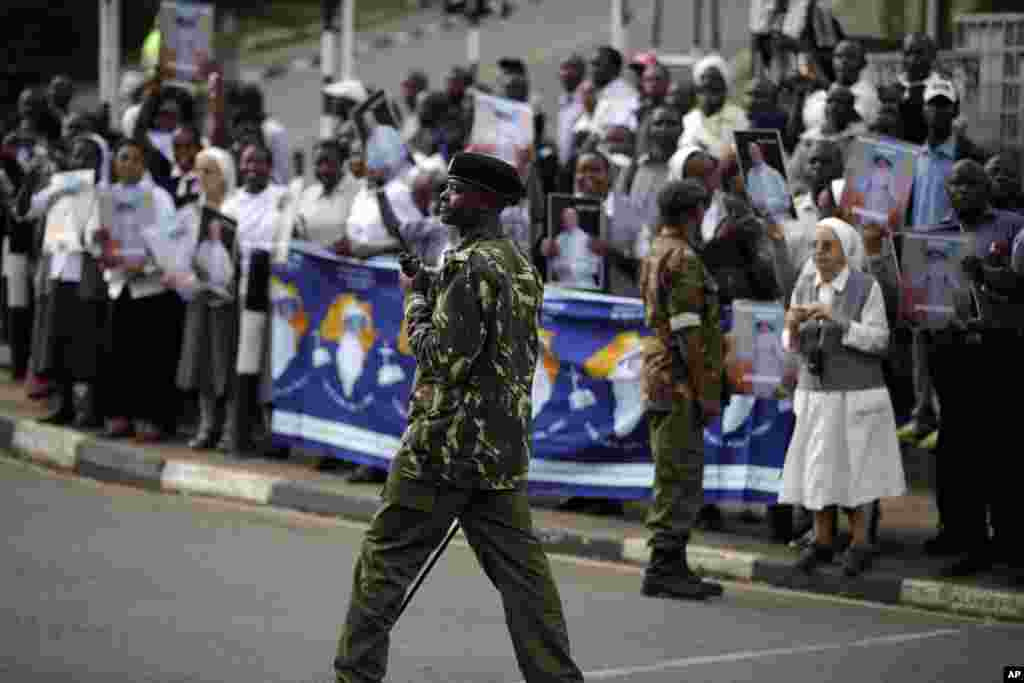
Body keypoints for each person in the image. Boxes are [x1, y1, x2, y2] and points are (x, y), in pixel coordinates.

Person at [332, 152, 584, 683]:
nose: (444, 197)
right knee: (525, 581)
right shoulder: (516, 263)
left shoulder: (468, 267)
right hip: (500, 450)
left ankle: (355, 676)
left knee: (384, 562)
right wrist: (432, 281)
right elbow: (485, 331)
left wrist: (415, 302)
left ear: (486, 202)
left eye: (456, 189)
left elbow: (442, 356)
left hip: (444, 449)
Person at [780, 217, 906, 577]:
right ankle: (821, 540)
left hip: (856, 395)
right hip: (816, 395)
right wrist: (790, 326)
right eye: (816, 246)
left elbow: (879, 340)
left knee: (856, 471)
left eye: (827, 246)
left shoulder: (867, 287)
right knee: (818, 470)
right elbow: (789, 346)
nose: (818, 254)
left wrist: (838, 321)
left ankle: (860, 542)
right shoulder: (805, 284)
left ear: (846, 251)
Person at [916, 160, 1024, 575]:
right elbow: (920, 296)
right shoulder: (931, 236)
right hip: (952, 352)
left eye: (972, 183)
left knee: (1003, 449)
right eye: (955, 184)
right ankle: (964, 536)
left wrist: (988, 274)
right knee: (958, 448)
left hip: (1001, 350)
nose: (963, 190)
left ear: (987, 188)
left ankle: (1010, 540)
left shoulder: (1013, 227)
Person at [638, 179, 725, 600]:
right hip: (678, 381)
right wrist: (707, 391)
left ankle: (671, 563)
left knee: (671, 470)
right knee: (680, 473)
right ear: (694, 213)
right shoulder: (684, 258)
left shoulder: (657, 249)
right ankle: (664, 567)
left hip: (659, 375)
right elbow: (688, 333)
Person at [898, 78, 987, 452]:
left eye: (944, 104)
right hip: (919, 252)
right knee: (921, 336)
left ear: (955, 110)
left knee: (950, 336)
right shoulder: (913, 156)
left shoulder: (969, 154)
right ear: (923, 110)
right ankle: (921, 414)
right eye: (931, 104)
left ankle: (946, 418)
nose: (937, 110)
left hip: (954, 252)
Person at [15, 134, 110, 426]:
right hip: (56, 273)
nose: (80, 161)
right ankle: (64, 405)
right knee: (58, 342)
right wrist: (31, 180)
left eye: (88, 157)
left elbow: (97, 242)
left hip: (84, 276)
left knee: (84, 343)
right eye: (77, 155)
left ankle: (87, 409)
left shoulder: (101, 193)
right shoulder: (59, 188)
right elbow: (25, 211)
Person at [95, 139, 184, 441]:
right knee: (117, 354)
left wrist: (145, 264)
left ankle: (150, 418)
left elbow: (170, 241)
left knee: (149, 358)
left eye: (134, 159)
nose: (127, 164)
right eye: (122, 158)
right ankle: (119, 416)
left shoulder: (157, 197)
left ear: (143, 163)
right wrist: (103, 251)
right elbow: (100, 239)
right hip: (119, 285)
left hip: (150, 287)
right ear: (115, 163)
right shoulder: (108, 197)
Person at [172, 146, 239, 451]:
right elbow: (175, 253)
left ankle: (228, 426)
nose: (201, 177)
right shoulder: (190, 213)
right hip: (199, 294)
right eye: (198, 170)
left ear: (225, 175)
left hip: (230, 299)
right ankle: (206, 423)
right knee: (201, 360)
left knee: (226, 362)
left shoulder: (237, 208)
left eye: (209, 171)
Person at [789, 85, 868, 196]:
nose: (833, 107)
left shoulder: (860, 141)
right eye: (830, 101)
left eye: (840, 102)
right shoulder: (808, 140)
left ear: (851, 109)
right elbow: (794, 176)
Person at [679, 56, 750, 162]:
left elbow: (739, 153)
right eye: (703, 89)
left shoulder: (739, 117)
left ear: (725, 88)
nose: (707, 95)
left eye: (714, 88)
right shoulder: (690, 119)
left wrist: (709, 150)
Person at [801, 40, 880, 135]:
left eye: (850, 57)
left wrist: (821, 80)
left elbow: (845, 120)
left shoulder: (867, 94)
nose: (843, 61)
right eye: (838, 56)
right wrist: (799, 96)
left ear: (863, 63)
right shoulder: (816, 96)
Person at [588, 46, 640, 136]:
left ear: (614, 68)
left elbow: (617, 134)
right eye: (591, 64)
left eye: (597, 64)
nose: (591, 70)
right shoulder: (602, 95)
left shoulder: (624, 96)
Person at [549, 206, 602, 289]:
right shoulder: (558, 239)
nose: (568, 220)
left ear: (576, 219)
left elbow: (594, 267)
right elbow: (553, 264)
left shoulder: (587, 238)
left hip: (584, 286)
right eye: (565, 218)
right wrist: (560, 267)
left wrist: (572, 267)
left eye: (571, 217)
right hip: (564, 285)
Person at [556, 55, 586, 178]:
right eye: (563, 68)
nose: (565, 73)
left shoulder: (586, 99)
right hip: (564, 169)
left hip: (581, 168)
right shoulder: (564, 101)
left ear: (581, 72)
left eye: (570, 68)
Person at [744, 141, 790, 222]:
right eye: (751, 152)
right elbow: (750, 198)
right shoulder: (750, 174)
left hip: (780, 220)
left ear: (761, 152)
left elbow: (786, 202)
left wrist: (767, 204)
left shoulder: (774, 173)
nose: (754, 154)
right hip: (762, 221)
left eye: (755, 151)